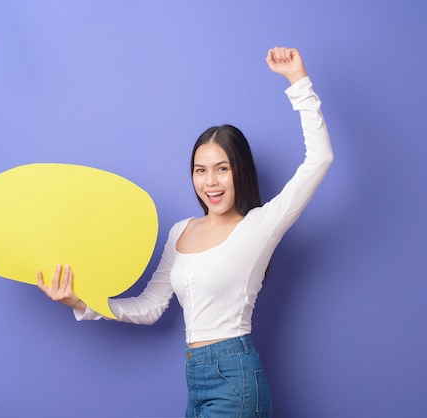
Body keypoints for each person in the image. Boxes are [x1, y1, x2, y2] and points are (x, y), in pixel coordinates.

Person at [38, 46, 333, 417]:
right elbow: (149, 307)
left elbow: (319, 159)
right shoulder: (181, 232)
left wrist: (297, 82)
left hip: (236, 380)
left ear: (240, 171)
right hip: (196, 378)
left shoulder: (259, 227)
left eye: (222, 168)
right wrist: (84, 304)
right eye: (200, 170)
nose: (211, 182)